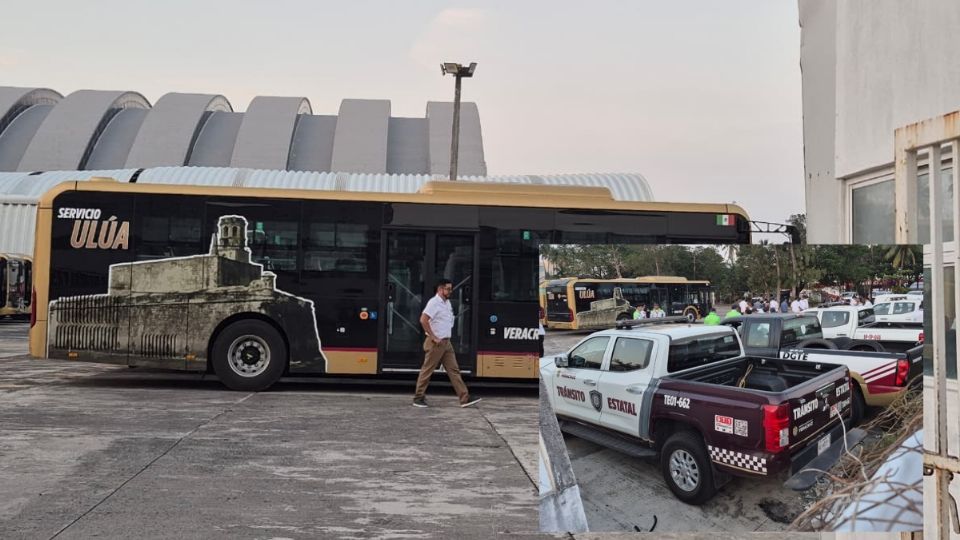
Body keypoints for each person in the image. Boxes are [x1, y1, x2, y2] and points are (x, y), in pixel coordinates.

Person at [413, 279, 482, 408]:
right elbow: (423, 320)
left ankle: (464, 398)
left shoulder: (447, 303)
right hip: (436, 343)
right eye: (448, 289)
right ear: (440, 289)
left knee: (454, 370)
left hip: (446, 342)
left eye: (451, 289)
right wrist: (433, 337)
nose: (450, 291)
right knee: (427, 370)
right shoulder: (434, 303)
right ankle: (418, 397)